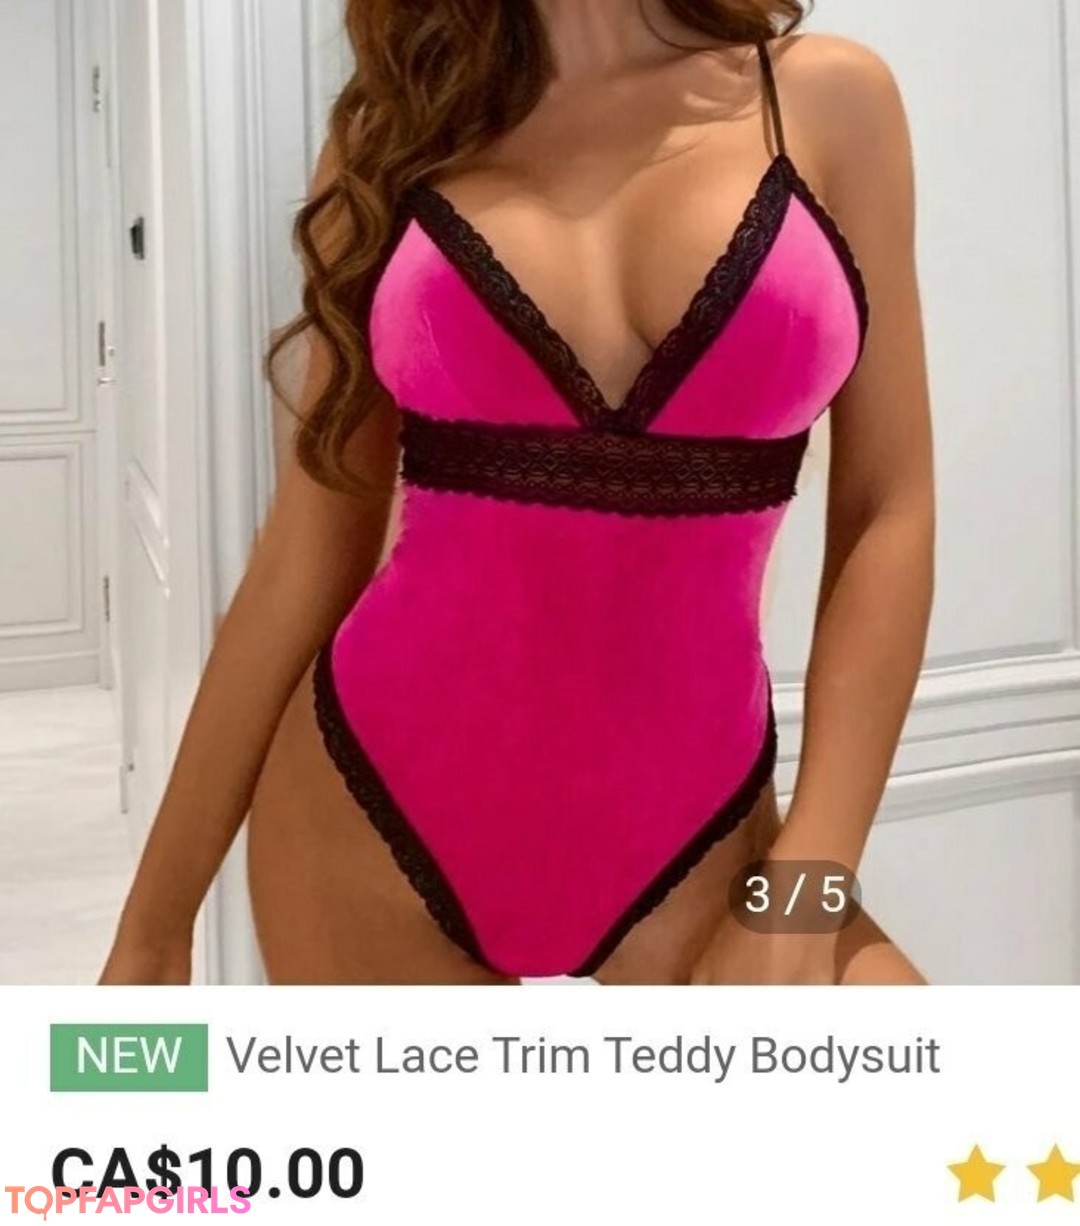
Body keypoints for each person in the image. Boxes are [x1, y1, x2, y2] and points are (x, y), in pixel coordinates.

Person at [101, 0, 934, 987]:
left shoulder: (826, 101)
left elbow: (888, 510)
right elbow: (305, 554)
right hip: (371, 826)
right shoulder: (394, 136)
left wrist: (806, 894)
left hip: (701, 848)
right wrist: (152, 928)